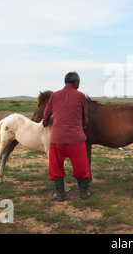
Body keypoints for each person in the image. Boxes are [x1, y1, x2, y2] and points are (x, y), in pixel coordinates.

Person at [42, 71, 90, 201]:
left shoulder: (54, 95)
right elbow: (83, 116)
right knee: (81, 166)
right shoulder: (81, 96)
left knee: (56, 166)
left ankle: (60, 194)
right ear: (75, 83)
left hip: (57, 139)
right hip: (76, 139)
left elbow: (46, 113)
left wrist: (46, 122)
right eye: (78, 83)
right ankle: (83, 193)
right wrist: (82, 126)